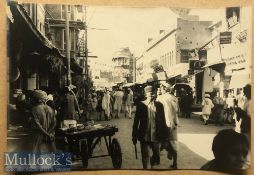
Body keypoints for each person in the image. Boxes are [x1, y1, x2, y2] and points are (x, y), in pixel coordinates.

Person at [132, 85, 167, 169]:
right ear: (145, 94)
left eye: (152, 93)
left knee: (156, 155)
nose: (151, 95)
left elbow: (163, 121)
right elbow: (136, 121)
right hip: (144, 135)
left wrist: (165, 136)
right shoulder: (141, 105)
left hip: (156, 135)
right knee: (145, 155)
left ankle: (152, 166)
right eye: (149, 93)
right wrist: (134, 135)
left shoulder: (159, 105)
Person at [157, 82, 179, 169]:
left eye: (161, 88)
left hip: (164, 123)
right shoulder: (174, 98)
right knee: (173, 142)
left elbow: (157, 112)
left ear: (164, 89)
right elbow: (177, 111)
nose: (160, 89)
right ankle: (175, 163)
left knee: (161, 141)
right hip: (174, 123)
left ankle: (157, 158)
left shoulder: (160, 98)